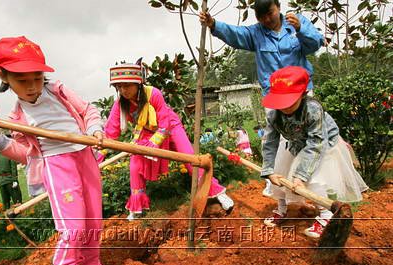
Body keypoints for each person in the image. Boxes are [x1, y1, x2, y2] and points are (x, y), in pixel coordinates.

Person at [0, 36, 110, 265]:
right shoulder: (16, 119)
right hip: (58, 166)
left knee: (93, 218)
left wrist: (95, 130)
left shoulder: (59, 91)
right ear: (4, 76)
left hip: (85, 155)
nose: (32, 87)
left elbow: (89, 110)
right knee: (73, 226)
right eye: (22, 81)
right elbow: (24, 154)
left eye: (37, 78)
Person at [104, 61, 234, 220]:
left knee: (190, 159)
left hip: (170, 127)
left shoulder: (153, 94)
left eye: (127, 85)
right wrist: (101, 145)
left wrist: (152, 144)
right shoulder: (120, 104)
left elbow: (164, 122)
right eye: (119, 87)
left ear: (138, 83)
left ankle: (218, 194)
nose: (123, 90)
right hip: (146, 132)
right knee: (135, 165)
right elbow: (111, 130)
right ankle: (137, 209)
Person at [259, 66, 368, 238]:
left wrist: (301, 176)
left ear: (303, 95)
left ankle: (326, 216)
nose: (285, 107)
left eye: (289, 101)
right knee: (280, 174)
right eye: (281, 102)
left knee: (314, 178)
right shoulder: (273, 115)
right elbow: (270, 142)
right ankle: (281, 209)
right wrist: (268, 171)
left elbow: (316, 143)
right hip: (295, 142)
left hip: (321, 144)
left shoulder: (313, 110)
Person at [199, 0, 324, 96]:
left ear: (278, 7)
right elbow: (236, 33)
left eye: (270, 13)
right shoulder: (255, 33)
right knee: (276, 129)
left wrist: (300, 28)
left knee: (309, 126)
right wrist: (213, 24)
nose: (267, 19)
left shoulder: (297, 22)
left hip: (301, 90)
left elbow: (315, 43)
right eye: (261, 17)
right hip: (274, 94)